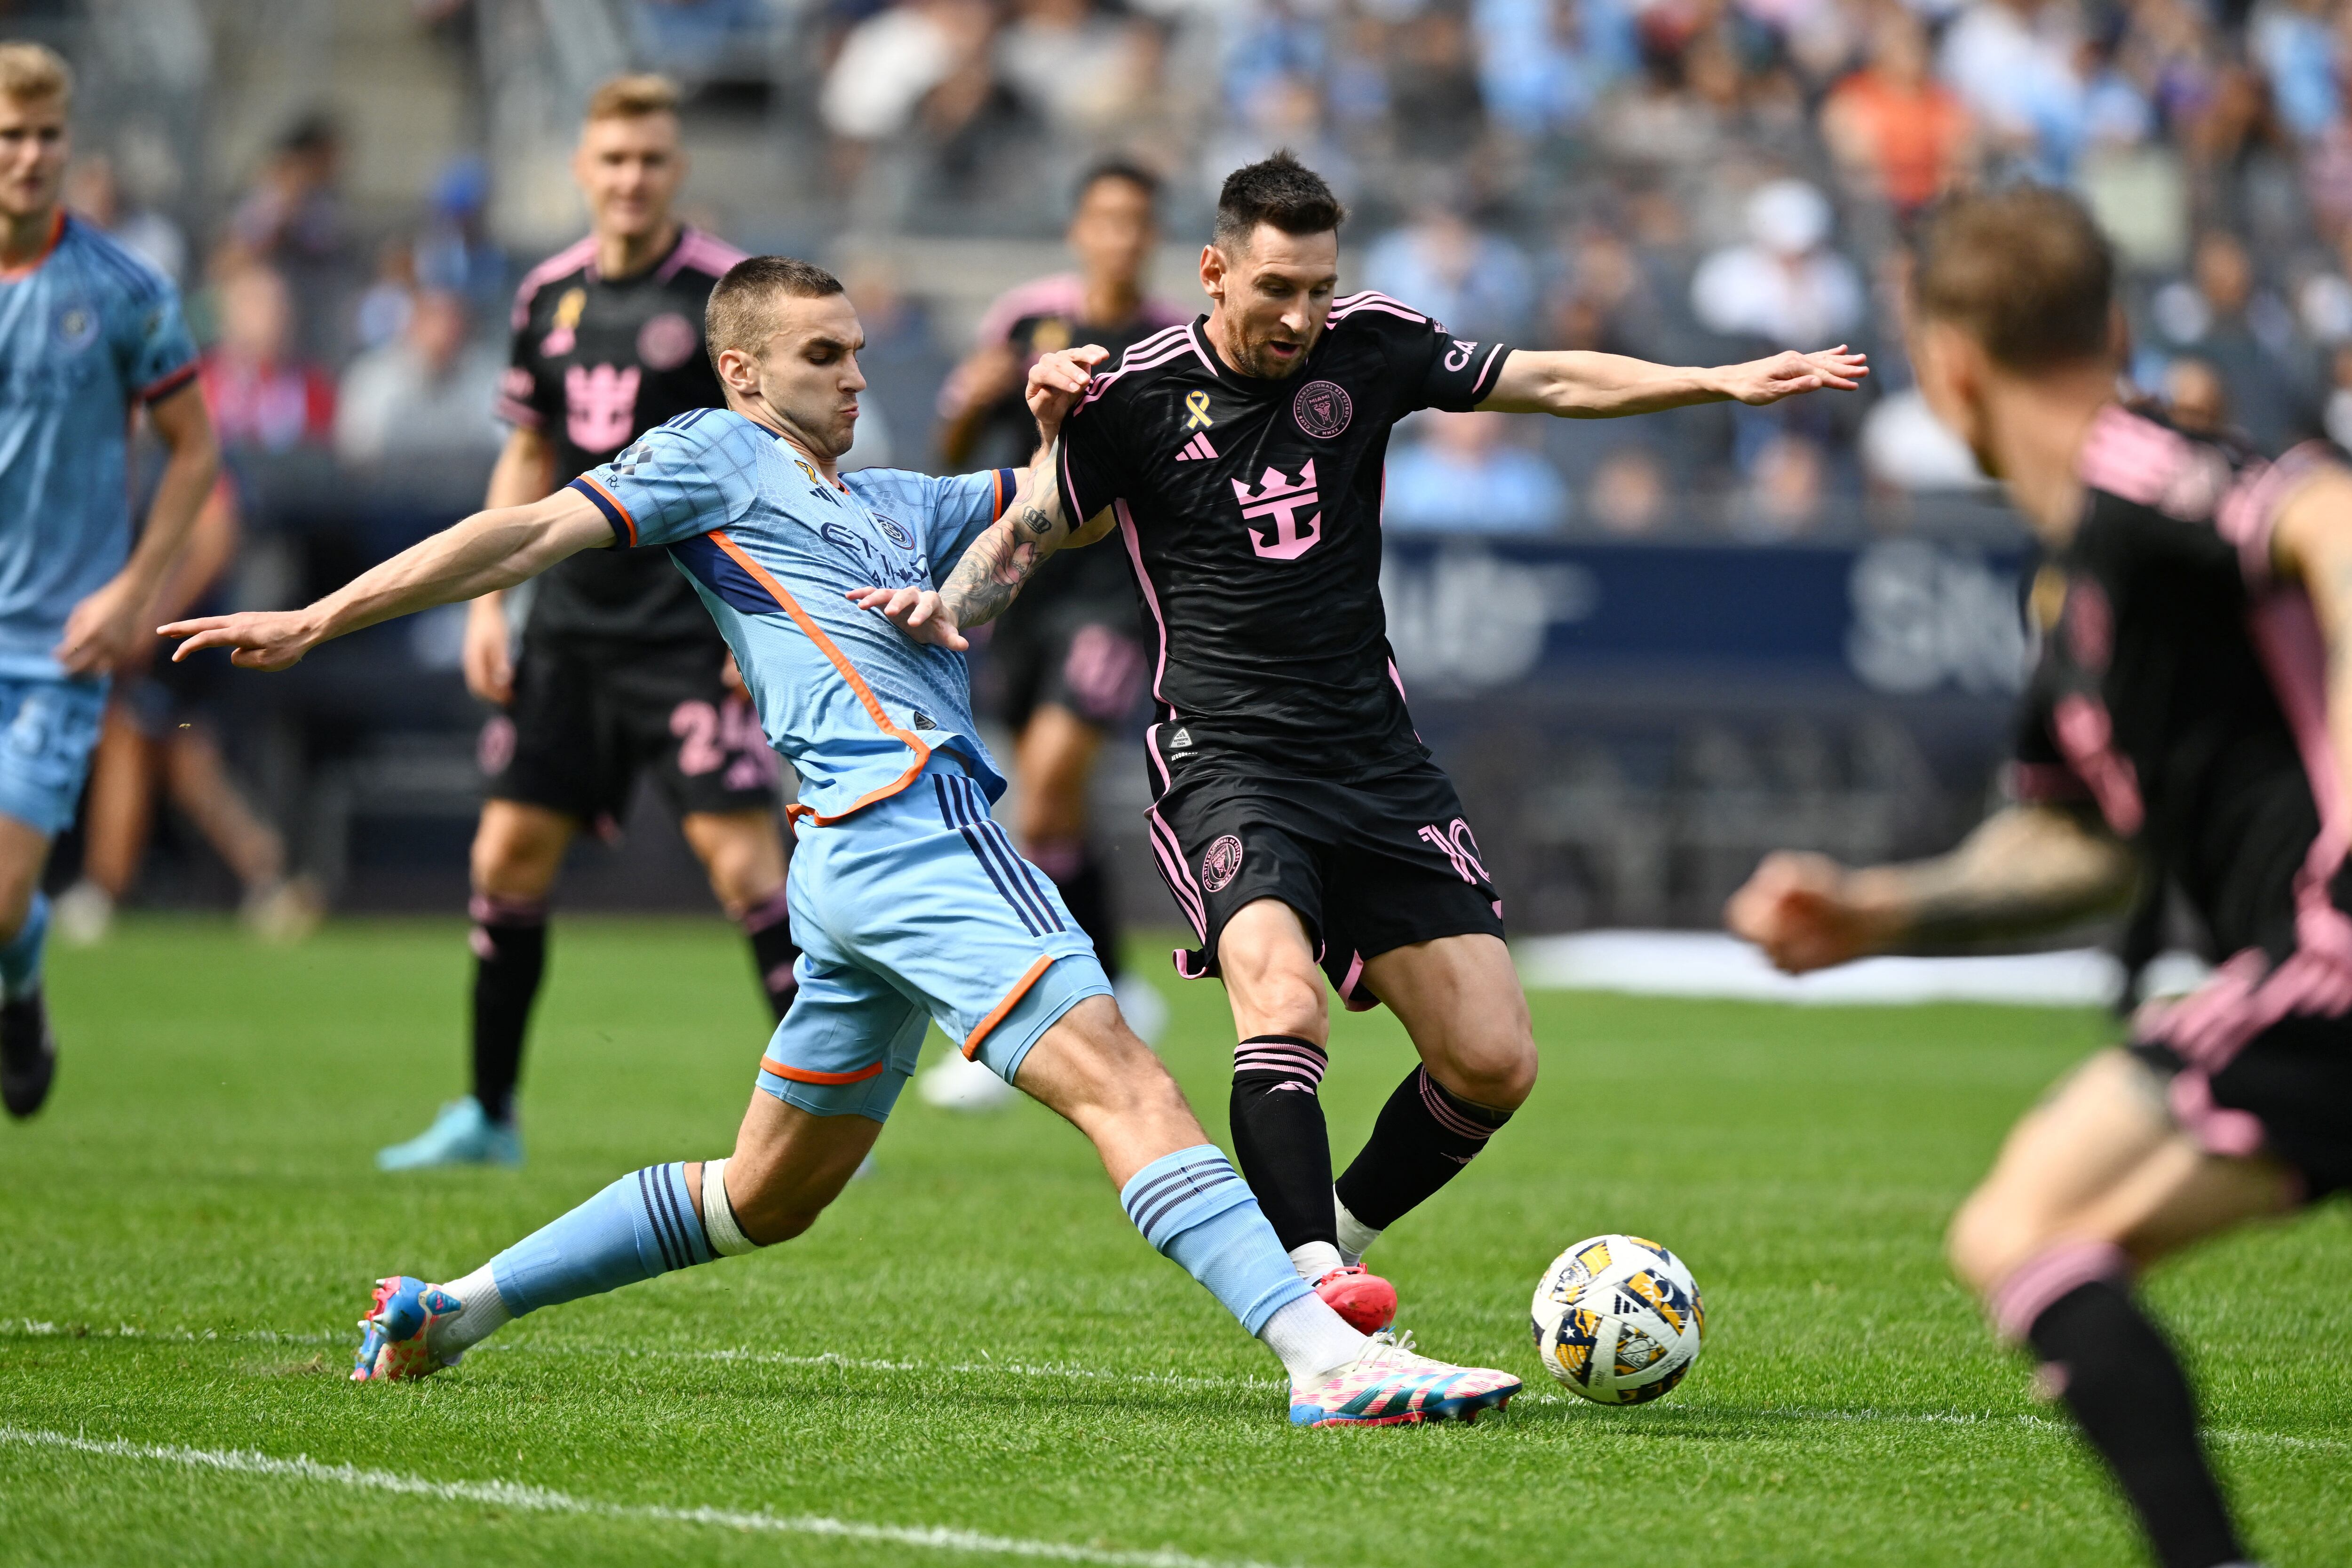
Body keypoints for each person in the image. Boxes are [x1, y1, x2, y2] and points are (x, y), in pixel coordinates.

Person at [160, 255, 1524, 1429]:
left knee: (767, 1193)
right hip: (913, 830)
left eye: (861, 351)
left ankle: (455, 1306)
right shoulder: (711, 454)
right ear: (743, 372)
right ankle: (1323, 1355)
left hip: (846, 874)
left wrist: (1070, 417)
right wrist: (319, 619)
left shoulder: (889, 502)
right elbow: (528, 529)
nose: (854, 374)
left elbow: (1073, 499)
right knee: (1129, 1082)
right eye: (823, 354)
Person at [888, 152, 1864, 1332]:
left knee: (1492, 1060)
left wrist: (1710, 383)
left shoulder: (1371, 343)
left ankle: (1334, 1234)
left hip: (1371, 758)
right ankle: (1309, 1288)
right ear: (1213, 272)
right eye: (1277, 288)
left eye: (1319, 287)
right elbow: (1033, 525)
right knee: (1280, 1004)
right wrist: (947, 607)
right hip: (1226, 757)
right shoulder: (1135, 395)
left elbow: (1543, 380)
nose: (1303, 315)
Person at [1726, 185, 2349, 1568]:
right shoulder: (2074, 587)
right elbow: (2080, 841)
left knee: (2029, 1223)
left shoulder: (2135, 470)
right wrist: (1880, 908)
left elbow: (2326, 515)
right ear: (2113, 324)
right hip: (2298, 969)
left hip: (2330, 952)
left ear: (1943, 363)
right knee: (2025, 1227)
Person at [375, 74, 799, 1172]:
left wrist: (752, 621)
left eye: (651, 160)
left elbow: (771, 458)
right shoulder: (544, 296)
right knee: (507, 853)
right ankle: (487, 1114)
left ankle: (829, 1114)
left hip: (686, 631)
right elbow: (528, 451)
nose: (630, 179)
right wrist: (490, 600)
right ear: (582, 167)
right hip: (566, 628)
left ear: (677, 170)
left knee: (747, 868)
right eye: (613, 160)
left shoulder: (722, 294)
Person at [0, 42, 218, 1120]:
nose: (30, 156)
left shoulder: (124, 291)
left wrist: (136, 590)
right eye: (10, 136)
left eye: (46, 137)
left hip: (56, 645)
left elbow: (195, 447)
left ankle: (21, 966)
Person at [937, 160, 1187, 1036]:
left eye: (1136, 220)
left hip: (1117, 594)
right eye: (1105, 218)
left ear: (1154, 236)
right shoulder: (1024, 320)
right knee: (1056, 810)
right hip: (1027, 589)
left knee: (1042, 793)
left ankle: (1036, 1005)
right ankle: (1117, 979)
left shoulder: (1172, 341)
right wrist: (973, 403)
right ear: (1080, 228)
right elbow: (960, 437)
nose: (1120, 235)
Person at [53, 479, 320, 947]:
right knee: (181, 763)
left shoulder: (187, 450)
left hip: (188, 643)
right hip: (179, 639)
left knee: (138, 740)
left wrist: (155, 619)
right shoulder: (143, 455)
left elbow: (217, 539)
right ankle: (269, 876)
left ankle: (104, 889)